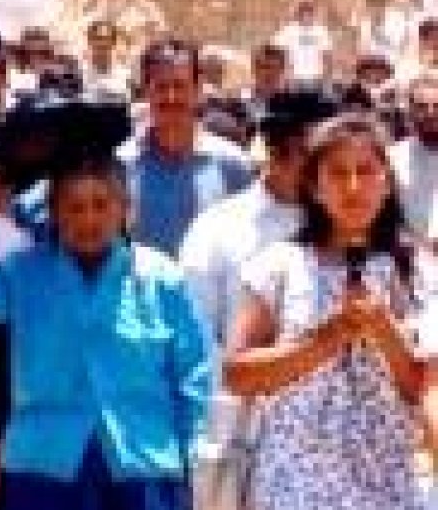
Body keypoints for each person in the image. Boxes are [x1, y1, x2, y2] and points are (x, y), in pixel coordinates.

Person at [0, 135, 211, 510]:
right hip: (43, 468)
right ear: (54, 213)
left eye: (101, 205)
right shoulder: (24, 270)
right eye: (74, 208)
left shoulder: (162, 278)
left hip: (143, 463)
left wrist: (185, 452)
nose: (88, 219)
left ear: (125, 209)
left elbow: (193, 375)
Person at [226, 113, 438, 510]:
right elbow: (238, 375)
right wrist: (326, 338)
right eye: (338, 173)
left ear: (387, 183)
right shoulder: (279, 266)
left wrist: (382, 328)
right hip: (295, 481)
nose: (353, 186)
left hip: (387, 482)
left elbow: (421, 386)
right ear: (315, 187)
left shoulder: (418, 271)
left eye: (365, 171)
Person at [178, 85, 337, 510]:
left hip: (335, 445)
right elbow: (195, 339)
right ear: (277, 148)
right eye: (305, 153)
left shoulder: (352, 231)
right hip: (240, 437)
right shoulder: (218, 229)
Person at [120, 38, 253, 255]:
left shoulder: (232, 165)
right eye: (161, 87)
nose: (171, 97)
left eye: (180, 86)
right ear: (145, 91)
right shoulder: (122, 165)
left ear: (198, 90)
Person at [391, 71, 438, 244]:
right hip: (413, 254)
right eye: (421, 106)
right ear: (409, 111)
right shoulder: (393, 158)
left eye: (436, 106)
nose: (430, 113)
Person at [273, 0, 334, 82]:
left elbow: (327, 54)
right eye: (303, 15)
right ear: (298, 15)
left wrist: (325, 72)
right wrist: (285, 70)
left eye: (309, 15)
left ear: (313, 15)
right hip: (293, 77)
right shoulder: (288, 31)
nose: (306, 18)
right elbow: (276, 51)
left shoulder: (321, 31)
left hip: (316, 76)